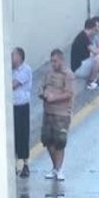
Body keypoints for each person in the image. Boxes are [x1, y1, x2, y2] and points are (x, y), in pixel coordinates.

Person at [39, 49, 75, 181]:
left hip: (61, 113)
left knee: (59, 142)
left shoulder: (68, 75)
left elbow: (69, 94)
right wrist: (43, 94)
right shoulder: (48, 74)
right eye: (51, 61)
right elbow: (41, 87)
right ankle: (54, 167)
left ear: (61, 60)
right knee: (47, 140)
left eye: (55, 61)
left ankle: (59, 169)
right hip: (48, 111)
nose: (53, 64)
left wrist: (54, 98)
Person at [11, 47, 33, 178]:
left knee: (22, 134)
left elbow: (13, 85)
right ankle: (13, 164)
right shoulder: (9, 69)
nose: (11, 58)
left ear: (19, 57)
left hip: (22, 106)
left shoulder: (26, 70)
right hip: (11, 107)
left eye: (13, 56)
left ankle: (25, 164)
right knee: (12, 136)